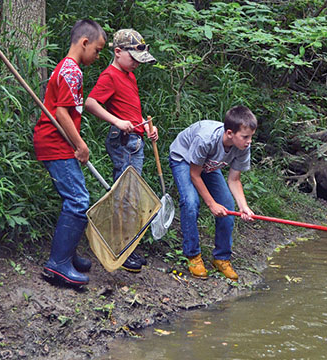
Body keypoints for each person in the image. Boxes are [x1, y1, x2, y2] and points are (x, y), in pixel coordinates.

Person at [33, 19, 107, 286]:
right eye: (98, 50)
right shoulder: (71, 70)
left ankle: (67, 255)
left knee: (77, 197)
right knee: (77, 201)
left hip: (57, 141)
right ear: (84, 43)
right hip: (54, 142)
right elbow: (62, 113)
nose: (98, 56)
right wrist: (81, 145)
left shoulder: (68, 68)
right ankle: (57, 265)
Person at [85, 29, 158, 273]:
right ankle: (121, 249)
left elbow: (132, 110)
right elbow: (91, 103)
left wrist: (147, 126)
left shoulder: (129, 76)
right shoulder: (110, 76)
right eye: (134, 59)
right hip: (124, 142)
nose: (137, 64)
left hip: (136, 140)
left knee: (132, 198)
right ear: (118, 52)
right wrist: (116, 121)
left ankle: (129, 246)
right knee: (125, 197)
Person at [169, 106, 257, 281]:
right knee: (191, 202)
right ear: (230, 133)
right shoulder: (206, 139)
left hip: (209, 164)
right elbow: (194, 174)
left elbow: (234, 180)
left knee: (228, 207)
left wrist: (244, 207)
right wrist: (211, 204)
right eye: (245, 137)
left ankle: (221, 258)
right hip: (184, 159)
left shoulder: (243, 147)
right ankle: (193, 256)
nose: (249, 141)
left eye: (251, 137)